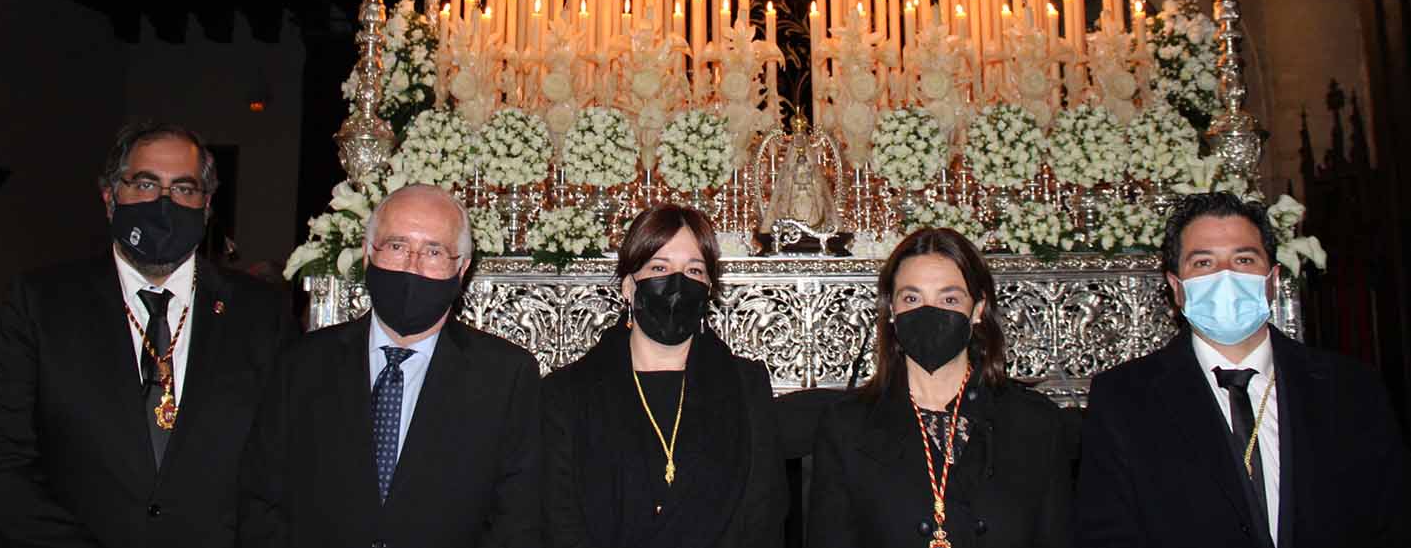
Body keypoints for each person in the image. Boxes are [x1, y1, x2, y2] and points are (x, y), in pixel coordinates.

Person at [0, 121, 296, 547]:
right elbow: (6, 462)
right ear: (110, 197)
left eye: (184, 189)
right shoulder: (41, 304)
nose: (164, 203)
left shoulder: (262, 314)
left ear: (207, 206)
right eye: (146, 184)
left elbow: (282, 466)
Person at [1076, 191, 1409, 547]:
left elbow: (1392, 521)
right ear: (1176, 287)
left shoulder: (1351, 389)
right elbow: (1108, 534)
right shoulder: (1124, 398)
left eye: (1244, 260)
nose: (1225, 278)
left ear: (1272, 278)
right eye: (1203, 263)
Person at [238, 183, 541, 547]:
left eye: (433, 251)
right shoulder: (301, 365)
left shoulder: (506, 376)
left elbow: (517, 519)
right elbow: (261, 500)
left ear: (461, 269)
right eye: (397, 246)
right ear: (368, 255)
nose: (412, 266)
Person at [808, 227, 1073, 548]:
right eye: (912, 298)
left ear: (976, 309)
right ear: (891, 310)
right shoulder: (846, 427)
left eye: (949, 299)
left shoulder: (1035, 423)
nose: (928, 312)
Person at [541, 204, 787, 548]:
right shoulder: (567, 392)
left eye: (694, 271)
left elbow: (764, 514)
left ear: (708, 288)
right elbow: (559, 520)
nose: (677, 284)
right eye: (659, 267)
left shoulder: (746, 385)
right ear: (629, 286)